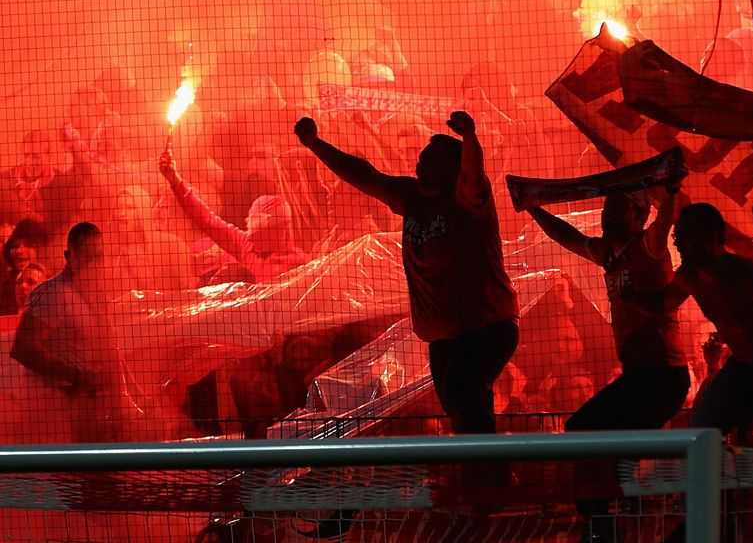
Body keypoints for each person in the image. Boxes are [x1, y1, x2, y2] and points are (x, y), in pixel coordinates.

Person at [294, 111, 519, 434]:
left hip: (487, 328)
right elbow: (365, 175)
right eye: (421, 159)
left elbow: (474, 172)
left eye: (430, 160)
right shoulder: (411, 196)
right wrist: (315, 145)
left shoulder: (469, 199)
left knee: (461, 393)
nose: (420, 165)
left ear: (454, 169)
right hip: (442, 337)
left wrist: (470, 138)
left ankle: (491, 477)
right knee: (462, 407)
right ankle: (483, 476)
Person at [529, 183, 688, 542]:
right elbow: (568, 237)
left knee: (599, 435)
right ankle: (605, 521)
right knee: (596, 436)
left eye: (615, 208)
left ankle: (606, 521)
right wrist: (534, 209)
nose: (605, 215)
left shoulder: (649, 246)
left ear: (639, 215)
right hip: (641, 378)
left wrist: (672, 191)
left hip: (662, 377)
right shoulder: (609, 253)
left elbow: (665, 222)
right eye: (605, 208)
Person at [663, 203, 753, 441]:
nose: (677, 244)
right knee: (701, 432)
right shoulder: (689, 277)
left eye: (684, 237)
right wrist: (631, 296)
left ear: (711, 238)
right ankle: (715, 475)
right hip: (741, 368)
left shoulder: (745, 273)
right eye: (676, 236)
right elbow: (662, 305)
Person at [10, 223, 130, 441]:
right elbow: (23, 348)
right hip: (53, 414)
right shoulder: (52, 294)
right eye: (87, 256)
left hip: (86, 410)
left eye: (98, 256)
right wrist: (76, 377)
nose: (93, 263)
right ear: (70, 256)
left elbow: (108, 348)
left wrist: (120, 397)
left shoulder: (95, 296)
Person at [159, 146, 305, 282]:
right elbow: (206, 220)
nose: (251, 237)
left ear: (278, 230)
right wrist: (175, 181)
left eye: (259, 234)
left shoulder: (299, 264)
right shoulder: (245, 245)